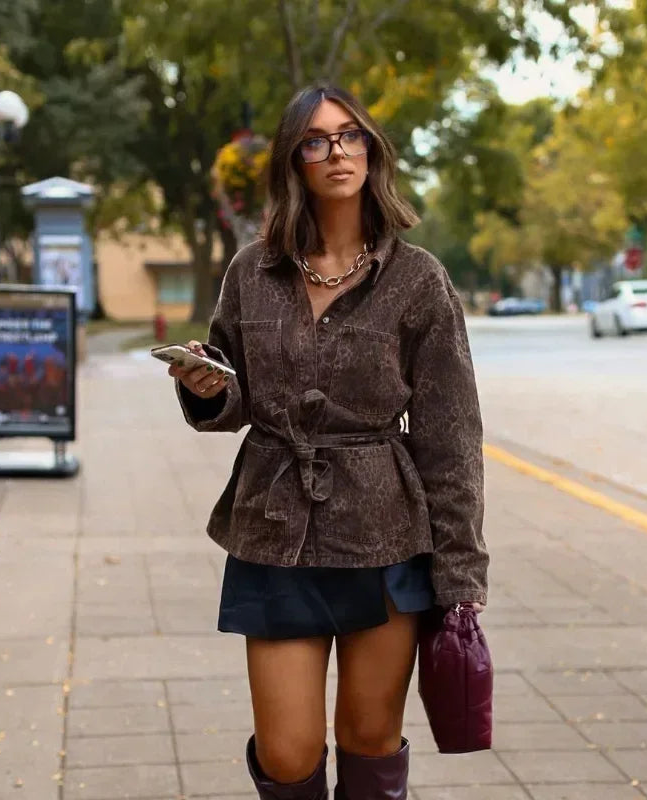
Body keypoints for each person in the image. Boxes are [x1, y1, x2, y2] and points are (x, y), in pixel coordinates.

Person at [168, 84, 488, 800]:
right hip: (275, 530)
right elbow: (233, 396)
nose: (337, 151)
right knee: (288, 752)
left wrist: (461, 575)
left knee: (370, 741)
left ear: (372, 151)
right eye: (316, 140)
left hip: (386, 537)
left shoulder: (419, 282)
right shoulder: (252, 272)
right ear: (295, 161)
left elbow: (453, 439)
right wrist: (205, 387)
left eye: (351, 135)